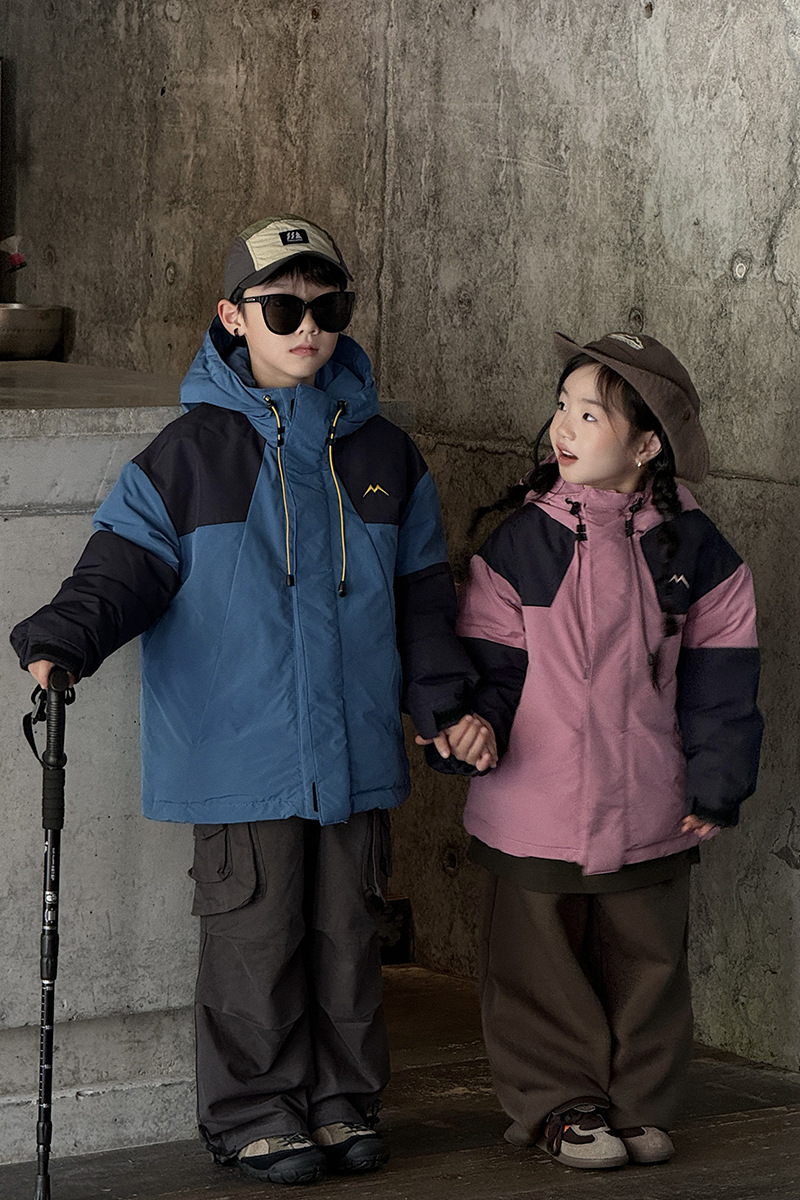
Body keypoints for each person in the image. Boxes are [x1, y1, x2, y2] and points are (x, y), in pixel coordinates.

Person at [10, 215, 495, 1186]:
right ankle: (252, 1110)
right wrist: (63, 640)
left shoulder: (387, 458)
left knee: (351, 935)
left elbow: (424, 598)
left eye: (329, 307)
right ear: (234, 316)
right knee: (254, 935)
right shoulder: (190, 458)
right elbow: (122, 570)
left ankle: (342, 1100)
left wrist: (446, 706)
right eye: (282, 306)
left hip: (353, 752)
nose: (307, 326)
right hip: (240, 755)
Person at [423, 331, 763, 1170]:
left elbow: (721, 683)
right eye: (561, 408)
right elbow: (494, 672)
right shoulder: (518, 546)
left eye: (588, 414)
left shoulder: (699, 555)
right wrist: (477, 730)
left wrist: (718, 781)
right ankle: (560, 1106)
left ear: (647, 445)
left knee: (649, 961)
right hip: (535, 806)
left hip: (652, 800)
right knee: (537, 966)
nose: (562, 429)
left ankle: (641, 1103)